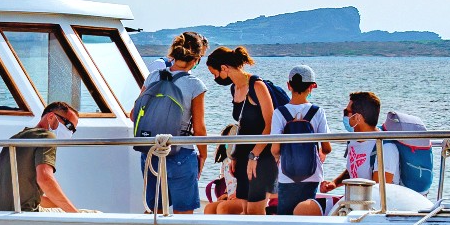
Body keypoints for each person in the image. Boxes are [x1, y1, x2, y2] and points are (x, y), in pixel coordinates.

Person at [132, 31, 208, 214]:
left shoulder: (153, 77)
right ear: (196, 58)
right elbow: (199, 128)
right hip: (181, 152)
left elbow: (133, 114)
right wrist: (203, 156)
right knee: (184, 213)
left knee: (155, 210)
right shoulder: (194, 85)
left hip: (152, 150)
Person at [298, 90, 398, 215]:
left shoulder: (384, 148)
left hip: (370, 208)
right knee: (303, 209)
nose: (344, 116)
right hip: (351, 201)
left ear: (358, 117)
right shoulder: (354, 140)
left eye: (346, 112)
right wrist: (335, 183)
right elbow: (354, 169)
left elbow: (378, 192)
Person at [206, 46, 276, 215]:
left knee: (254, 212)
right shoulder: (234, 89)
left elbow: (271, 125)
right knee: (245, 211)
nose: (215, 78)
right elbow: (242, 126)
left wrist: (255, 155)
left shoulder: (257, 86)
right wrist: (235, 157)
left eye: (214, 73)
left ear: (224, 68)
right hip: (244, 159)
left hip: (261, 157)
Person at [0, 101, 81, 212]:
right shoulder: (47, 136)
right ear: (51, 117)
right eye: (68, 125)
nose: (70, 132)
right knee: (94, 214)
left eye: (73, 130)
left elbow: (30, 197)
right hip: (25, 215)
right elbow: (45, 179)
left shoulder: (16, 139)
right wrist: (75, 213)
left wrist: (63, 204)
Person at [268, 65, 332, 215]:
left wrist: (278, 157)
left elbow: (275, 149)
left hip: (286, 174)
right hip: (312, 174)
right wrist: (321, 154)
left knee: (286, 216)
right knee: (306, 213)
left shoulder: (280, 113)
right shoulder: (318, 111)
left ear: (288, 85)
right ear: (312, 87)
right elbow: (327, 147)